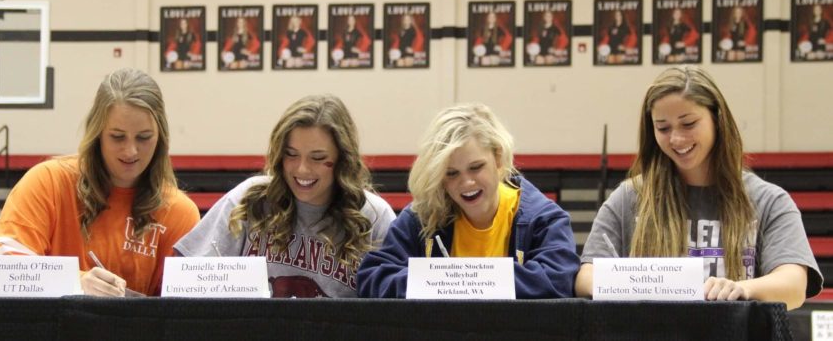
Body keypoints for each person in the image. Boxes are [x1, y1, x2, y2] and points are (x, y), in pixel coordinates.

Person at [575, 66, 823, 309]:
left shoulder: (769, 200)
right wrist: (646, 284)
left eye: (689, 123)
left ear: (718, 119)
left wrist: (744, 288)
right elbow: (585, 278)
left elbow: (794, 285)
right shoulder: (628, 198)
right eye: (663, 128)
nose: (676, 139)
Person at [0, 68, 200, 296]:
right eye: (117, 136)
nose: (131, 151)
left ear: (161, 137)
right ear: (97, 133)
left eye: (144, 137)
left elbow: (182, 314)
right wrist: (75, 284)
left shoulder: (180, 213)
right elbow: (4, 273)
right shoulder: (46, 183)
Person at [175, 94, 395, 298]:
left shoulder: (374, 215)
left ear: (343, 160)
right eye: (291, 155)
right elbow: (186, 281)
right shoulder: (251, 198)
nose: (302, 169)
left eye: (318, 158)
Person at [357, 103, 579, 298]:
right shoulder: (422, 216)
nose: (467, 183)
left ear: (498, 157)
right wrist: (444, 282)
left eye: (476, 168)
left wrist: (472, 281)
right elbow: (373, 277)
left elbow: (559, 279)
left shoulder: (545, 219)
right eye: (451, 173)